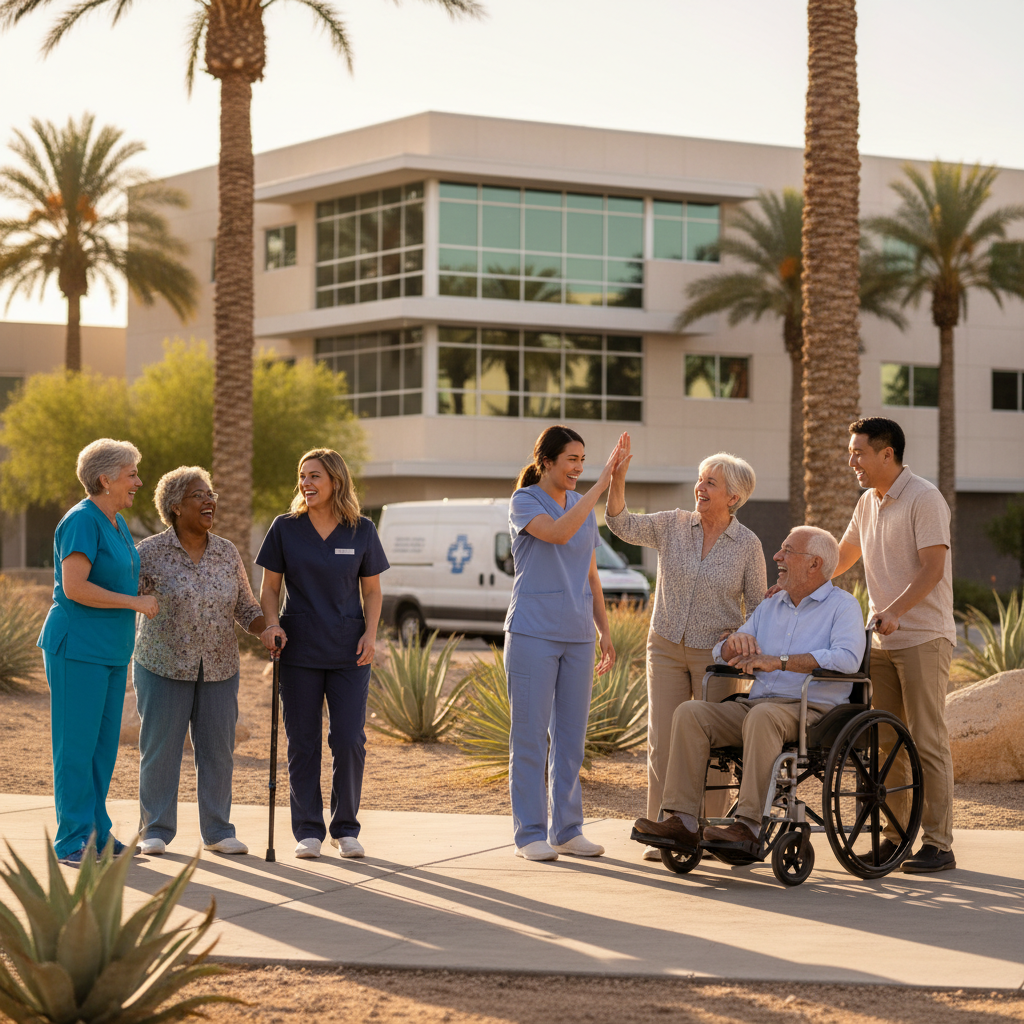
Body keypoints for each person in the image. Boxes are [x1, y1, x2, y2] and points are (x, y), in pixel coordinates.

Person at [633, 527, 865, 854]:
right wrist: (731, 645)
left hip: (811, 712)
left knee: (763, 716)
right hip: (758, 705)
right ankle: (682, 822)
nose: (777, 557)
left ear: (815, 564)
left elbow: (848, 658)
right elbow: (721, 654)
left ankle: (749, 825)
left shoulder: (843, 606)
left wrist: (780, 662)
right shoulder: (771, 606)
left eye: (787, 551)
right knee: (690, 713)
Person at [605, 439, 767, 860]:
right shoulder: (673, 524)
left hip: (717, 659)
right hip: (664, 646)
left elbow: (760, 609)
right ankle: (665, 832)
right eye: (700, 480)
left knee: (712, 744)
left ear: (733, 496)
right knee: (663, 741)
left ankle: (709, 835)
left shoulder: (747, 545)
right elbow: (621, 524)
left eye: (710, 483)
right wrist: (617, 480)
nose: (700, 488)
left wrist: (743, 642)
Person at [836, 417, 957, 874]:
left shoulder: (924, 498)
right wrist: (799, 578)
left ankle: (939, 843)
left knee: (926, 739)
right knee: (887, 744)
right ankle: (895, 839)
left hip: (923, 637)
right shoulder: (868, 502)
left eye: (859, 453)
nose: (852, 462)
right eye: (851, 453)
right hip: (883, 644)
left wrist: (897, 611)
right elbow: (843, 555)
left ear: (887, 454)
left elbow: (932, 569)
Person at [256, 448, 388, 860]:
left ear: (334, 480)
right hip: (298, 650)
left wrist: (370, 635)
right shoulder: (285, 528)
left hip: (350, 651)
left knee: (349, 739)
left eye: (314, 476)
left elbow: (372, 591)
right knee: (303, 741)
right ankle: (308, 830)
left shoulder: (361, 530)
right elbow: (269, 588)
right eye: (302, 476)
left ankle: (345, 828)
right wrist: (271, 624)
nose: (306, 484)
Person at [505, 425, 625, 862]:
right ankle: (530, 835)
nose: (578, 467)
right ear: (547, 462)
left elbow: (591, 574)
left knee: (571, 740)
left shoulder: (582, 505)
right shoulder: (524, 502)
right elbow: (556, 534)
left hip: (577, 636)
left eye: (583, 459)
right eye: (571, 459)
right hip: (532, 633)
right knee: (531, 739)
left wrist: (604, 630)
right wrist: (600, 486)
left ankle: (568, 830)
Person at [37, 438, 159, 865]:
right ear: (105, 479)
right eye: (131, 474)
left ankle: (98, 833)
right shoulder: (81, 521)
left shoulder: (117, 523)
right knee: (76, 747)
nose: (138, 482)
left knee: (103, 747)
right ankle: (72, 841)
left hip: (111, 650)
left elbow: (121, 577)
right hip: (77, 649)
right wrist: (135, 603)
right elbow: (75, 587)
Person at [133, 466, 266, 857]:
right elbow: (125, 598)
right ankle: (155, 829)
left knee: (217, 750)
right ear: (175, 506)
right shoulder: (149, 553)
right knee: (161, 749)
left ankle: (218, 831)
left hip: (220, 667)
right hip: (162, 665)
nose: (210, 501)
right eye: (199, 495)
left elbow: (245, 605)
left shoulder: (226, 552)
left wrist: (267, 629)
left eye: (212, 495)